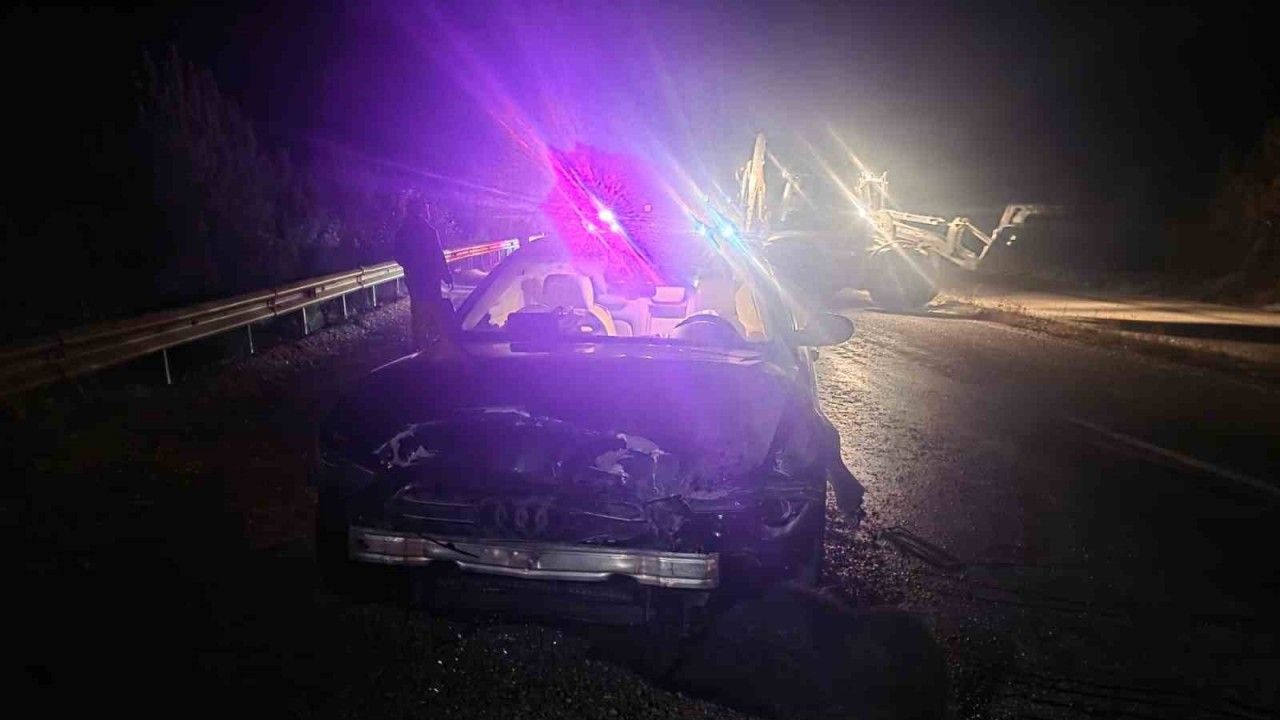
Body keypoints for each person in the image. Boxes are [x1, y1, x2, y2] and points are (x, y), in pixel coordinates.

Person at [394, 197, 455, 352]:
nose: (428, 212)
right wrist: (446, 275)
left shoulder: (403, 232)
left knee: (417, 309)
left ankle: (419, 344)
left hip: (414, 278)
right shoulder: (428, 231)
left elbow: (397, 254)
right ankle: (434, 344)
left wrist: (410, 265)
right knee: (434, 308)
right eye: (425, 208)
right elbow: (438, 255)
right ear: (420, 210)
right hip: (430, 278)